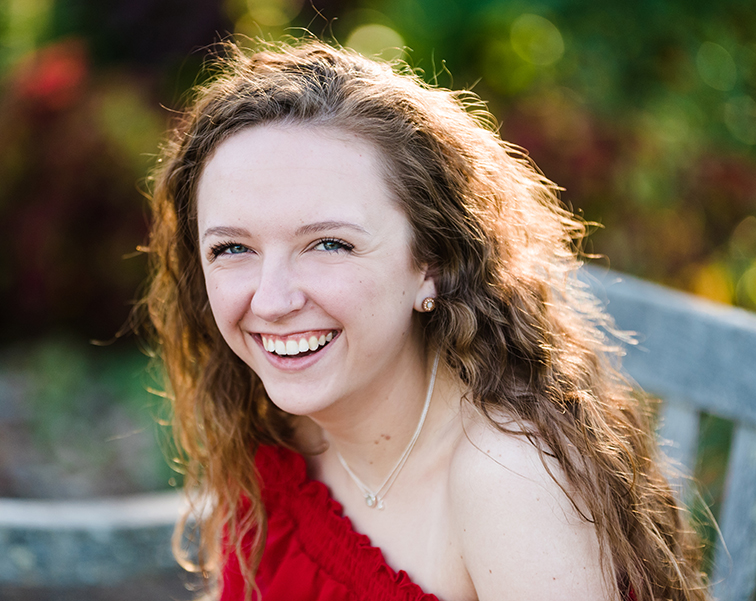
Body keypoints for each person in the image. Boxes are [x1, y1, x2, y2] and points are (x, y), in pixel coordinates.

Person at [139, 38, 708, 601]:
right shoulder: (269, 420)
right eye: (232, 249)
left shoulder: (509, 480)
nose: (270, 301)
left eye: (329, 244)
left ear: (431, 263)